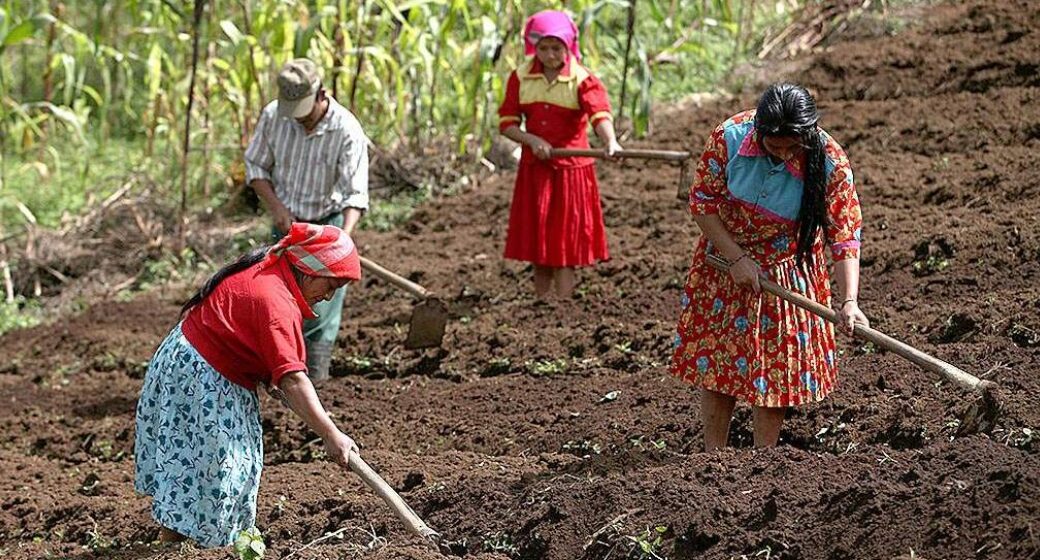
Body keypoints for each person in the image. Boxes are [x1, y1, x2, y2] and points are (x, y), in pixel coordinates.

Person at [134, 223, 362, 548]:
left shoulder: (271, 268)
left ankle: (177, 546)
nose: (329, 296)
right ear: (309, 271)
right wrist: (331, 434)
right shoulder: (276, 301)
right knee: (221, 472)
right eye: (331, 285)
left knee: (195, 468)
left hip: (189, 364)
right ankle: (199, 550)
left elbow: (263, 352)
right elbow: (294, 379)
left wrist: (268, 372)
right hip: (202, 378)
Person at [670, 83, 869, 451]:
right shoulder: (728, 138)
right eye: (773, 146)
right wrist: (737, 258)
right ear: (759, 132)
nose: (781, 154)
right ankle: (713, 456)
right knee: (720, 361)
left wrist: (849, 302)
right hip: (725, 259)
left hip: (787, 266)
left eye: (791, 148)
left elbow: (843, 234)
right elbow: (703, 203)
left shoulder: (830, 162)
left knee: (777, 370)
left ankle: (765, 459)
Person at [244, 58, 370, 381]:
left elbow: (355, 195)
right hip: (285, 226)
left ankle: (316, 380)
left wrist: (343, 238)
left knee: (318, 309)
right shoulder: (274, 117)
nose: (298, 119)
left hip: (326, 225)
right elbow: (256, 168)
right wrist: (277, 208)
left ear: (321, 95)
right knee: (275, 304)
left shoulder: (346, 131)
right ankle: (274, 377)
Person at [498, 10, 623, 299]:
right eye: (543, 48)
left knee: (565, 240)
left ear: (568, 47)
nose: (550, 55)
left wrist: (611, 141)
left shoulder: (582, 79)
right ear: (533, 47)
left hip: (571, 168)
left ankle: (563, 305)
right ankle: (541, 302)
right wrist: (530, 140)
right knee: (539, 238)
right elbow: (507, 124)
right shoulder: (521, 77)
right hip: (536, 168)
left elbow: (599, 114)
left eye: (557, 48)